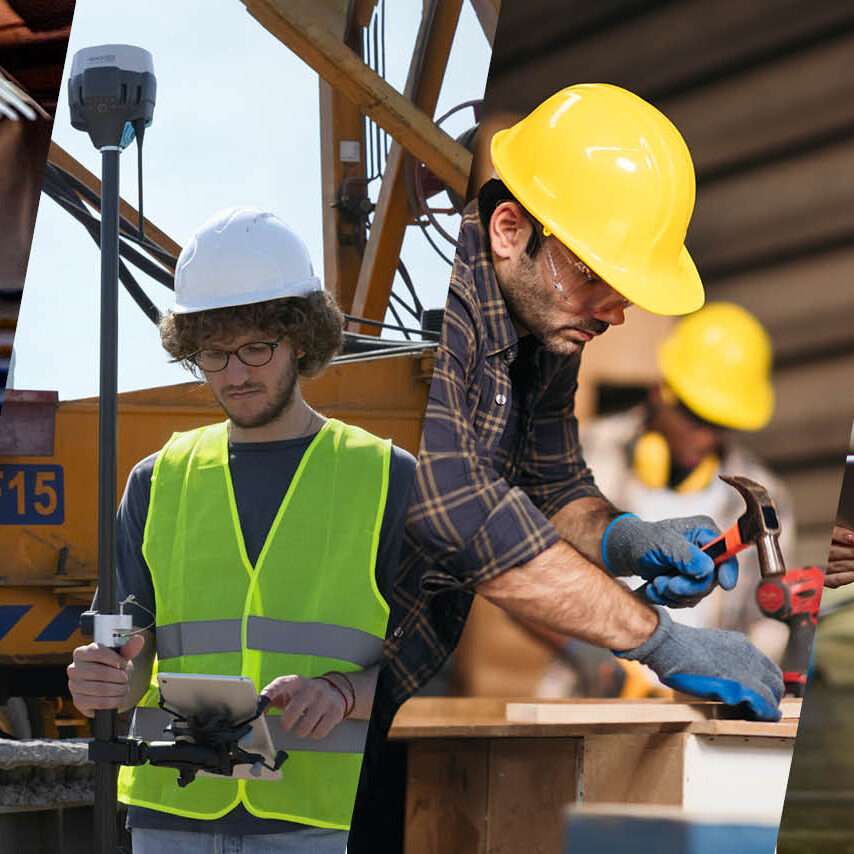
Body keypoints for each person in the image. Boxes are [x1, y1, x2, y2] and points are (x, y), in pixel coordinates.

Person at [349, 83, 784, 850]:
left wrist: (624, 538)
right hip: (337, 679)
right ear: (510, 230)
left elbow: (551, 482)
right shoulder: (455, 321)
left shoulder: (545, 326)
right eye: (595, 278)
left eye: (624, 289)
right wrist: (660, 639)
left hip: (398, 682)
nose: (617, 312)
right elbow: (455, 512)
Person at [67, 207, 416, 853]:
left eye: (257, 347)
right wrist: (104, 678)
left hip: (323, 816)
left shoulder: (387, 477)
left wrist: (347, 692)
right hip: (173, 807)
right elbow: (128, 643)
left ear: (303, 339)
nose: (234, 373)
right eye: (214, 353)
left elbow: (445, 658)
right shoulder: (157, 479)